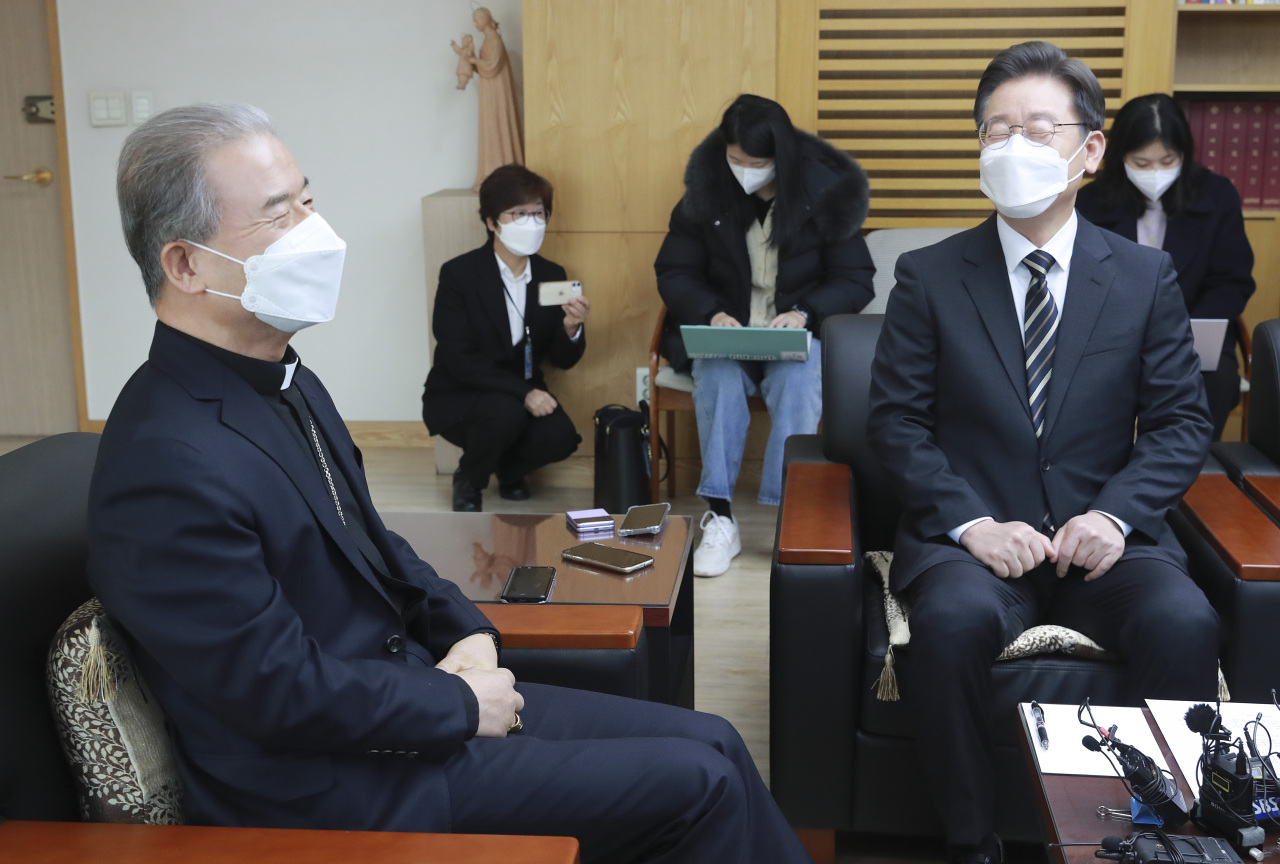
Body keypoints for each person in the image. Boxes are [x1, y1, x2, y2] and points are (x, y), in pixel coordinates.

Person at [89, 103, 813, 864]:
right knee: (699, 782)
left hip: (401, 707)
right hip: (334, 787)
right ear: (185, 265)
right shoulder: (164, 460)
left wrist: (464, 628)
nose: (315, 229)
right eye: (280, 215)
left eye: (309, 199)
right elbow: (276, 690)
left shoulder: (285, 381)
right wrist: (457, 702)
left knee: (717, 740)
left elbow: (373, 540)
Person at [866, 43, 1219, 864]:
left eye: (1037, 128)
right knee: (946, 625)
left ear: (1090, 150)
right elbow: (897, 425)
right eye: (996, 130)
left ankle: (1156, 837)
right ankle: (972, 842)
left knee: (1184, 621)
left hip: (1105, 543)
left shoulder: (1143, 275)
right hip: (980, 547)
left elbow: (1178, 424)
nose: (1013, 147)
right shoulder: (928, 276)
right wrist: (972, 525)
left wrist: (1117, 515)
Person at [655, 94, 874, 577]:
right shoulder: (704, 194)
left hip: (792, 337)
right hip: (726, 335)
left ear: (782, 158)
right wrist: (710, 313)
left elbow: (855, 279)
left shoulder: (823, 196)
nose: (745, 171)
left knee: (802, 380)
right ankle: (721, 518)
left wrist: (804, 312)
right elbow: (675, 271)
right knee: (716, 376)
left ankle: (787, 511)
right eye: (736, 160)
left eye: (757, 163)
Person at [1076, 93, 1255, 440]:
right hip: (1110, 335)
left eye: (1167, 160)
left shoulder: (1218, 196)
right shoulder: (1089, 202)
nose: (1155, 173)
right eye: (1141, 163)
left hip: (1192, 333)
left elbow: (1231, 281)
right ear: (1120, 157)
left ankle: (1187, 474)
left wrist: (1185, 331)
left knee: (1214, 383)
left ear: (1183, 156)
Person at [422, 164, 587, 512]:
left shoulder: (550, 275)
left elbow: (562, 358)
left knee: (561, 437)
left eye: (538, 213)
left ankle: (509, 472)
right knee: (506, 412)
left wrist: (571, 329)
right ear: (492, 222)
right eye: (519, 213)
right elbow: (458, 356)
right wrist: (525, 393)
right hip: (462, 393)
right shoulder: (459, 275)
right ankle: (469, 480)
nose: (531, 222)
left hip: (521, 394)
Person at [467, 7, 523, 192]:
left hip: (497, 93)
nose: (475, 24)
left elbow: (492, 65)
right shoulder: (487, 40)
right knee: (491, 128)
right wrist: (473, 62)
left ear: (485, 20)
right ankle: (491, 172)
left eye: (477, 20)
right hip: (489, 91)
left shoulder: (495, 40)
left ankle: (504, 171)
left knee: (498, 124)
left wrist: (476, 62)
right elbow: (486, 67)